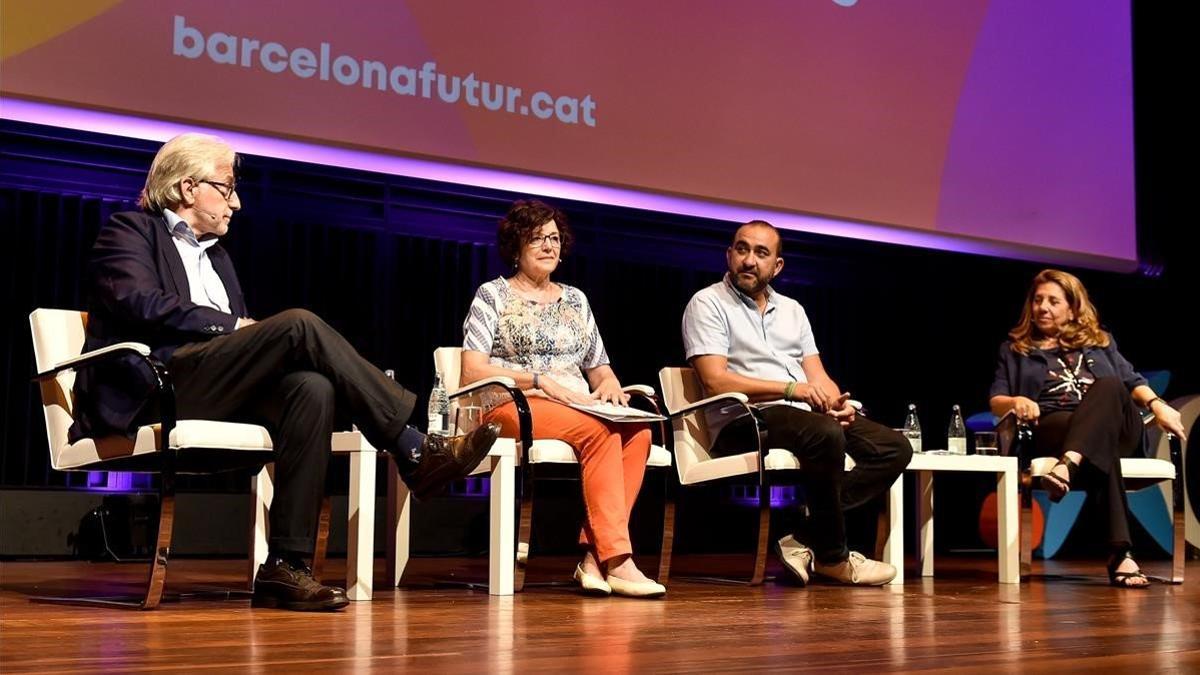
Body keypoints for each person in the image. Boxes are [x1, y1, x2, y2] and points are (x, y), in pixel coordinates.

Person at [71, 133, 500, 611]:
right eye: (227, 187)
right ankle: (412, 446)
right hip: (157, 385)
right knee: (298, 324)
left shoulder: (218, 256)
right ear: (188, 188)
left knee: (311, 388)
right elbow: (139, 301)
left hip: (211, 381)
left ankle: (285, 567)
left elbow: (236, 346)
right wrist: (235, 326)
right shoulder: (128, 230)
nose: (237, 201)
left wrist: (244, 336)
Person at [681, 220, 908, 586]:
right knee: (824, 433)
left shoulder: (793, 310)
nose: (749, 260)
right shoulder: (707, 303)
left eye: (761, 253)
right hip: (743, 420)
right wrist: (791, 389)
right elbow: (714, 380)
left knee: (893, 447)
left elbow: (817, 375)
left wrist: (837, 403)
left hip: (802, 418)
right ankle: (833, 557)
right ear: (728, 255)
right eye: (742, 249)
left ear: (777, 266)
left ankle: (805, 535)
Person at [459, 199, 666, 598]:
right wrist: (537, 380)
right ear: (516, 246)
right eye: (537, 238)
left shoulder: (576, 300)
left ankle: (593, 558)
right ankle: (619, 561)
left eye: (554, 238)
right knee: (598, 433)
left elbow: (600, 367)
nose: (548, 246)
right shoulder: (493, 295)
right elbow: (473, 371)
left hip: (575, 406)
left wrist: (608, 384)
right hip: (511, 405)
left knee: (638, 430)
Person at [989, 269, 1187, 587]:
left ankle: (1067, 466)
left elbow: (1133, 382)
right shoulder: (1015, 350)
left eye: (1053, 301)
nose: (1043, 307)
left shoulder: (1100, 343)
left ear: (1073, 307)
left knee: (1110, 386)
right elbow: (995, 399)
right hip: (1055, 426)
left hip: (1118, 427)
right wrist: (1016, 401)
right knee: (1100, 445)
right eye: (1038, 300)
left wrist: (1158, 405)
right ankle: (1121, 554)